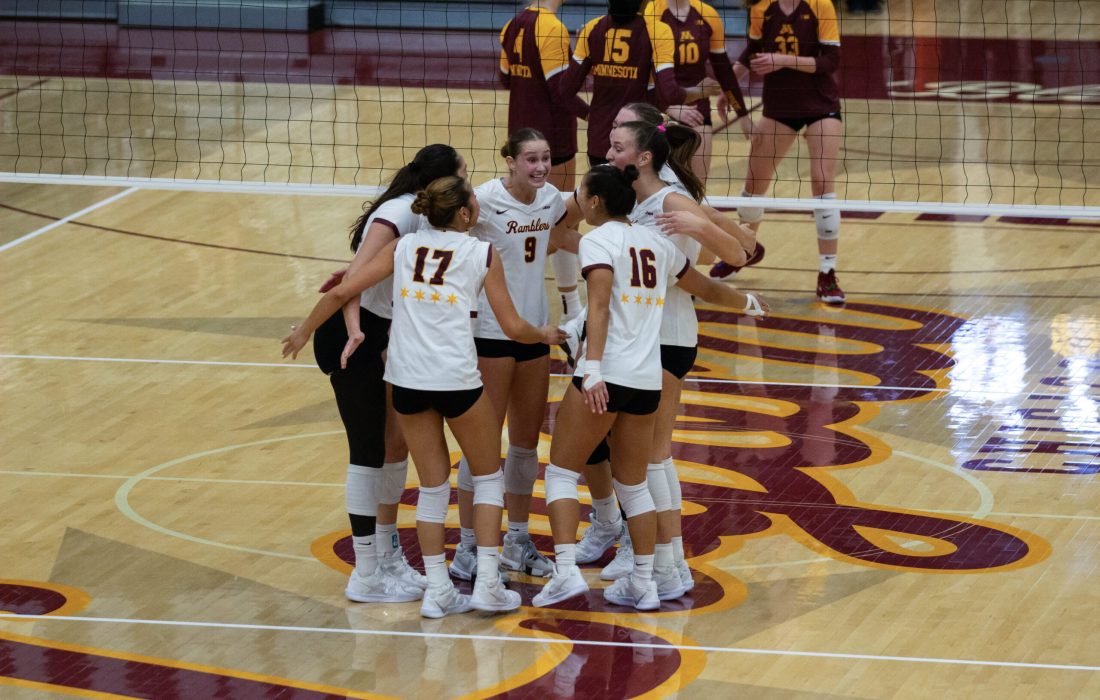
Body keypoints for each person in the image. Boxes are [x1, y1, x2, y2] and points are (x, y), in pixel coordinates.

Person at [283, 176, 564, 618]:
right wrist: (546, 333)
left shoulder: (403, 248)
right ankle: (488, 584)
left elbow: (342, 289)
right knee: (488, 479)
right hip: (455, 379)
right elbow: (512, 327)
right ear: (466, 214)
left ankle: (438, 591)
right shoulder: (481, 252)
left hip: (408, 382)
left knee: (433, 487)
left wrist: (304, 330)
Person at [532, 164, 769, 610]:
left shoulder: (597, 241)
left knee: (562, 471)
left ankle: (564, 573)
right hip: (646, 379)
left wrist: (593, 368)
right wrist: (748, 302)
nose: (578, 200)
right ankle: (644, 582)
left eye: (581, 193)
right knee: (635, 484)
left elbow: (599, 306)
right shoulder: (658, 244)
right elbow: (704, 287)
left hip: (605, 374)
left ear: (595, 202)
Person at [309, 144, 465, 605]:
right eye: (461, 174)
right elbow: (349, 283)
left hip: (383, 335)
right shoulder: (397, 213)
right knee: (369, 451)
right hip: (352, 339)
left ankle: (387, 555)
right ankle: (365, 573)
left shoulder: (426, 219)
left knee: (393, 446)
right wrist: (349, 331)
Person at [451, 128, 579, 581]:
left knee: (525, 444)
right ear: (509, 160)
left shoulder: (552, 201)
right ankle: (467, 545)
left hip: (536, 333)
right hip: (489, 333)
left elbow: (581, 218)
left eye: (545, 158)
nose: (541, 167)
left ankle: (517, 540)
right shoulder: (482, 200)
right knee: (482, 445)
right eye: (530, 159)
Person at [710, 0, 846, 304]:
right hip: (780, 107)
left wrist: (783, 60)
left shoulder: (820, 5)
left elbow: (830, 61)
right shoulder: (762, 8)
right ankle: (742, 252)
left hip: (821, 105)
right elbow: (752, 53)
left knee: (822, 181)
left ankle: (828, 273)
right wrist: (728, 89)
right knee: (754, 183)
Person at [499, 0, 588, 321]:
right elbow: (560, 90)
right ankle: (570, 305)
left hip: (520, 135)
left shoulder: (513, 24)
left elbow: (505, 78)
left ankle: (513, 287)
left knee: (528, 215)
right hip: (553, 135)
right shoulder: (552, 27)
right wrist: (597, 116)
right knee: (562, 220)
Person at [557, 0, 719, 168]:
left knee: (606, 193)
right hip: (640, 145)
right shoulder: (657, 31)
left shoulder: (592, 28)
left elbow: (564, 91)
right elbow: (668, 93)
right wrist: (699, 91)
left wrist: (591, 116)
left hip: (601, 144)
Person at [648, 0, 751, 181]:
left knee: (696, 186)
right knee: (656, 183)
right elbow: (645, 74)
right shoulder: (652, 12)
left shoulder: (708, 14)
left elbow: (724, 70)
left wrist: (742, 115)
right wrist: (666, 107)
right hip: (660, 109)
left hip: (697, 110)